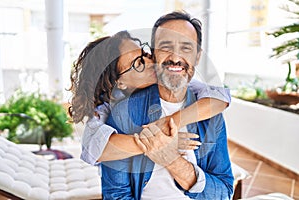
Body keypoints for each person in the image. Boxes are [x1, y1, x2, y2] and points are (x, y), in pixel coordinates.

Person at [100, 11, 234, 199]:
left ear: (197, 57)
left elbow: (224, 192)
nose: (176, 57)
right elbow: (116, 194)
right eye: (165, 47)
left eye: (186, 47)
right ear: (153, 55)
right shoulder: (124, 113)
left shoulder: (210, 114)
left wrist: (172, 161)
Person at [69, 31, 231, 164]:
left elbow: (218, 98)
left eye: (145, 54)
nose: (149, 61)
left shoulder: (168, 81)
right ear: (120, 83)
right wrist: (158, 142)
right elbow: (93, 147)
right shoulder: (109, 106)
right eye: (138, 63)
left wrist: (169, 123)